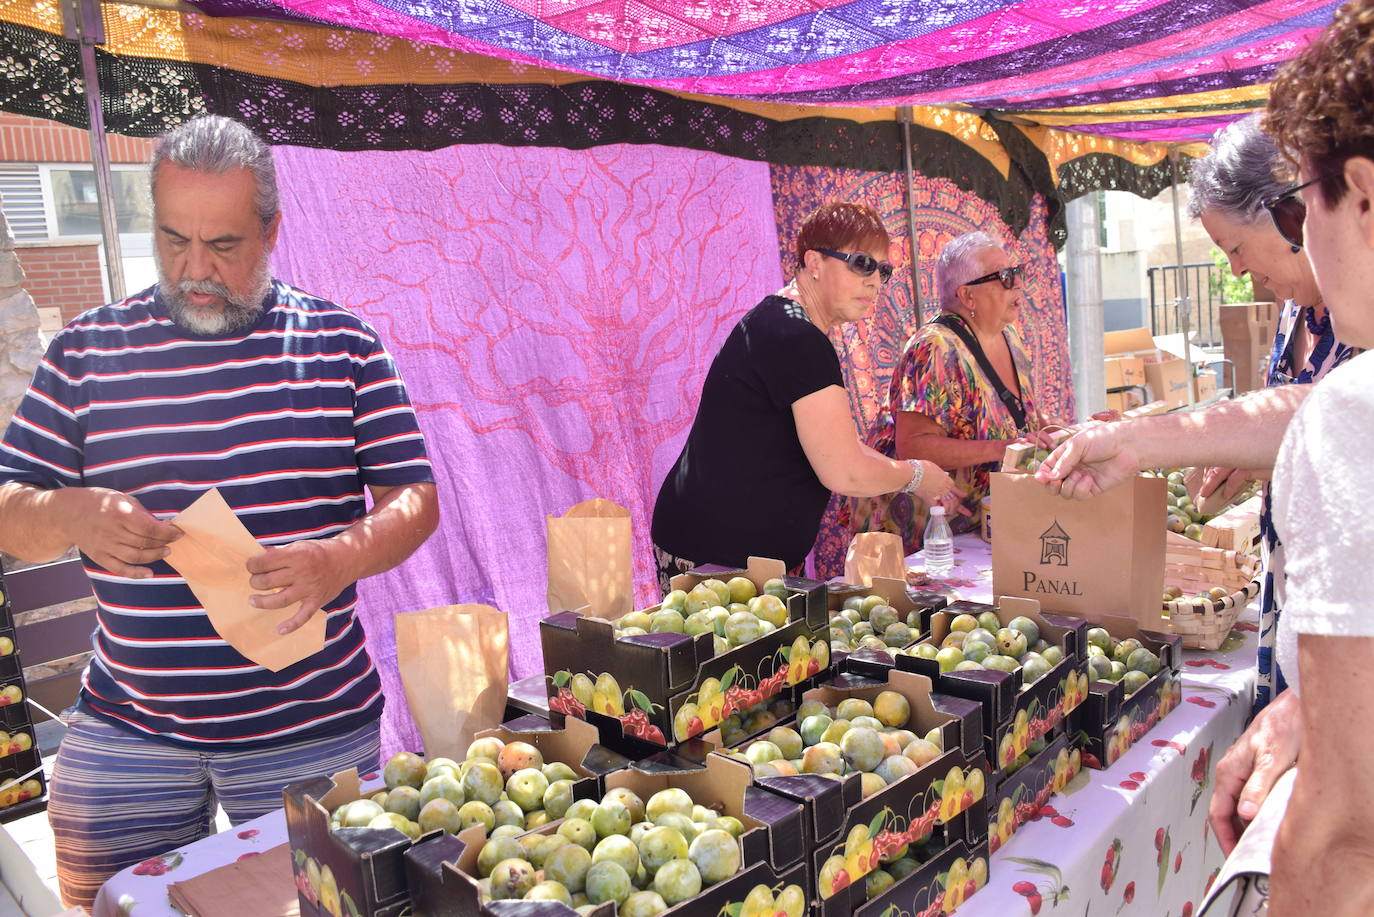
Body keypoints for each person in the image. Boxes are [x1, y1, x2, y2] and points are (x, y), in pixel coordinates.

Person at [0, 115, 439, 908]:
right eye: (173, 239)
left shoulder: (344, 343)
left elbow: (415, 499)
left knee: (331, 905)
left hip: (312, 722)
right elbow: (8, 505)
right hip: (129, 724)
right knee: (112, 905)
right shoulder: (88, 350)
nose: (194, 269)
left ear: (272, 229)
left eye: (224, 246)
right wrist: (73, 512)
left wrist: (338, 558)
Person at [1042, 4, 1374, 908]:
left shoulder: (1353, 406)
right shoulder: (1322, 347)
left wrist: (1140, 439)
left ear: (1362, 194)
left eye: (1308, 211)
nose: (1292, 248)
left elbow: (1347, 829)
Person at [650, 201, 960, 590]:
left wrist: (918, 475)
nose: (875, 281)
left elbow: (835, 447)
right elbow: (843, 470)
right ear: (814, 262)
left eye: (883, 270)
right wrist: (916, 476)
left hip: (722, 553)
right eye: (862, 264)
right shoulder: (796, 338)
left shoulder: (783, 323)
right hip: (720, 561)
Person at [1186, 113, 1358, 714]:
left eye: (1234, 247)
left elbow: (1326, 413)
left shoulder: (1359, 313)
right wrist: (1253, 463)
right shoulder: (1296, 313)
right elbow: (1304, 436)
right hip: (1292, 593)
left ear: (1291, 215)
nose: (1235, 269)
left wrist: (1163, 439)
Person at [839, 231, 1055, 557]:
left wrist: (1069, 433)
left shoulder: (1009, 337)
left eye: (1018, 273)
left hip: (971, 527)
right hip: (918, 534)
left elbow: (1024, 419)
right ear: (967, 296)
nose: (1018, 284)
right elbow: (913, 445)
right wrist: (1003, 447)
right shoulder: (935, 347)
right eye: (1005, 277)